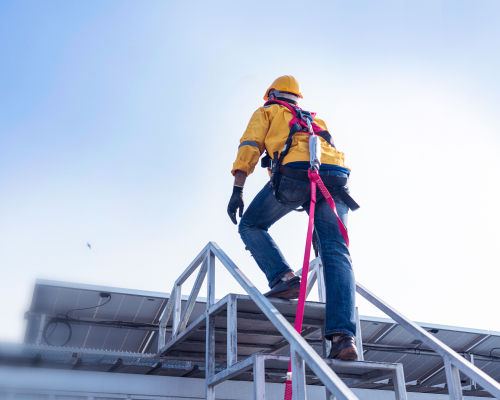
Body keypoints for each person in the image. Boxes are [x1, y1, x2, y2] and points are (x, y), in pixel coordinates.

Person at [227, 75, 358, 361]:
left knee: (251, 225)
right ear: (297, 98)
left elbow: (250, 145)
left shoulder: (267, 111)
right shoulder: (315, 120)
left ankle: (285, 278)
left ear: (272, 95)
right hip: (336, 179)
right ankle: (344, 339)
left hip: (296, 174)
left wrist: (238, 189)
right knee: (336, 252)